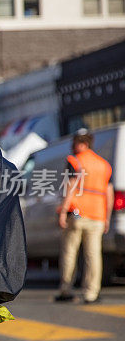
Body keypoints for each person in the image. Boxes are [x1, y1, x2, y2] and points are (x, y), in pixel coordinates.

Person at [55, 129, 114, 304]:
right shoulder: (104, 165)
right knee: (93, 255)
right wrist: (107, 218)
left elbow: (71, 187)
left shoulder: (74, 161)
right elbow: (108, 193)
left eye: (74, 143)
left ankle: (66, 289)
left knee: (69, 252)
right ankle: (91, 294)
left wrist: (63, 211)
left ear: (82, 144)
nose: (72, 147)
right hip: (97, 216)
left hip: (77, 214)